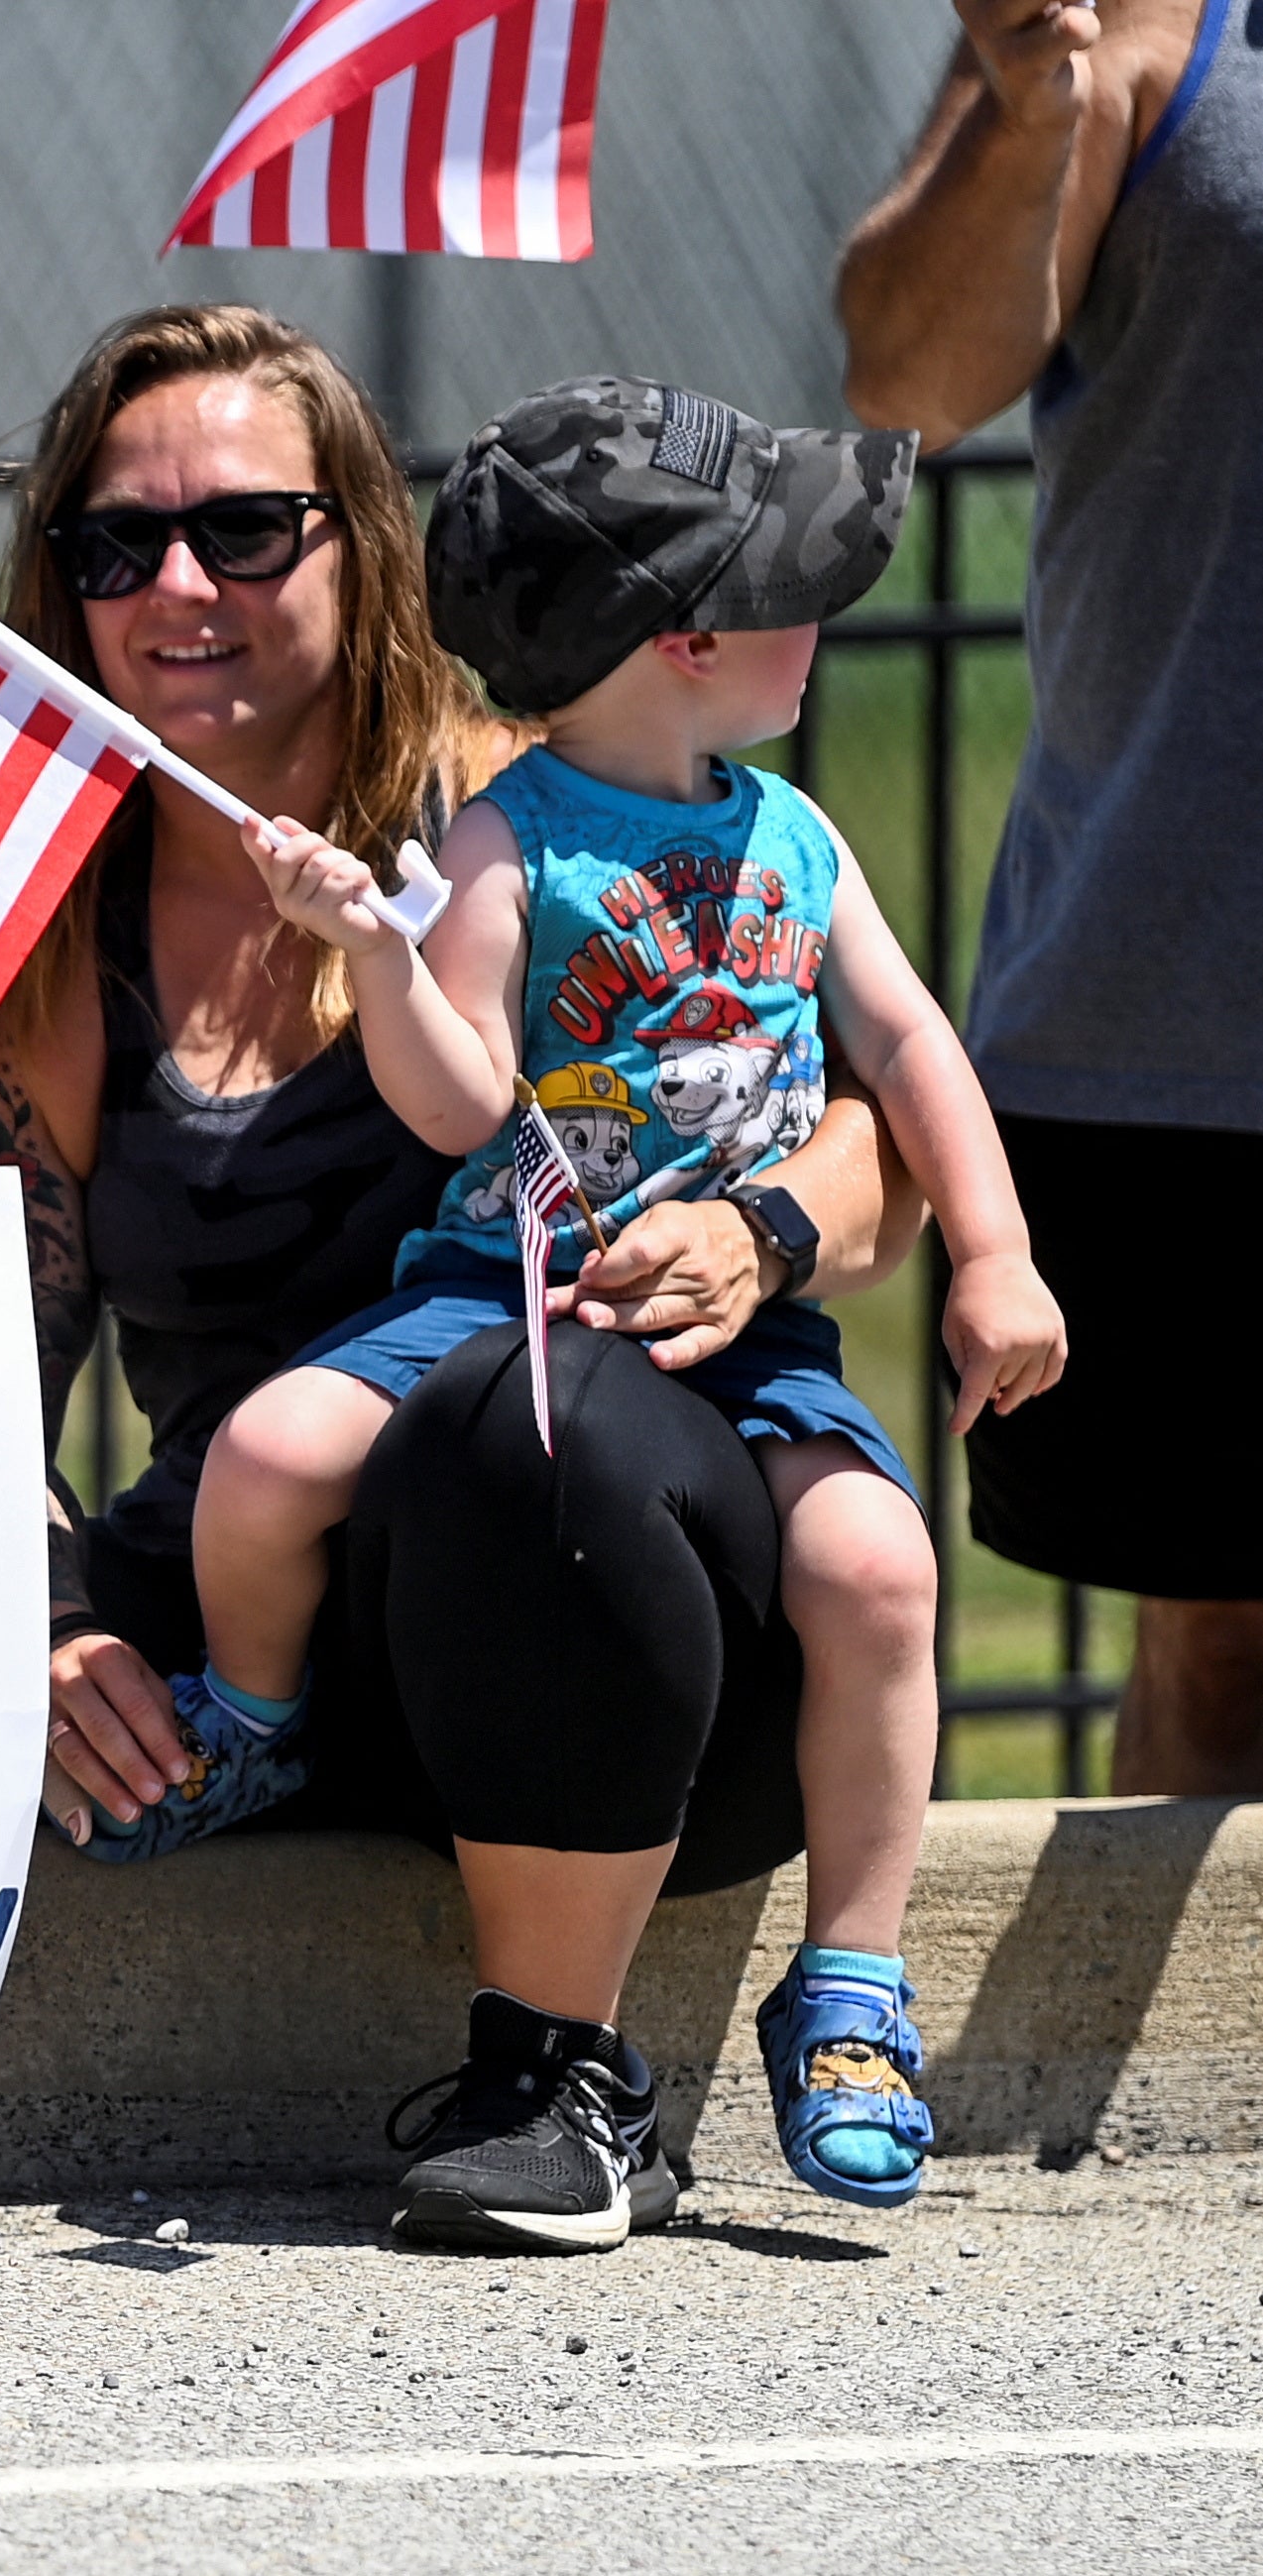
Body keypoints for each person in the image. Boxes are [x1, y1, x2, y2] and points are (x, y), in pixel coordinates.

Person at [0, 306, 929, 2253]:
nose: (173, 585)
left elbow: (875, 1128)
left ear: (364, 548)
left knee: (513, 1411)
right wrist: (55, 1616)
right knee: (334, 1448)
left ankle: (559, 2076)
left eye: (245, 530)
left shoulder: (547, 806)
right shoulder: (59, 933)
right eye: (109, 542)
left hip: (632, 1604)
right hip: (297, 1644)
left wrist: (749, 1230)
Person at [165, 379, 1065, 2211]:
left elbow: (906, 1047)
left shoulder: (797, 842)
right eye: (797, 585)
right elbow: (452, 1097)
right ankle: (247, 1725)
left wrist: (997, 1249)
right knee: (263, 1458)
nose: (829, 620)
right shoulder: (515, 843)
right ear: (691, 632)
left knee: (884, 1569)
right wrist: (376, 951)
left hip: (745, 1331)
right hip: (504, 1301)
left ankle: (855, 1979)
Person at [840, 0, 1263, 1789]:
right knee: (1229, 1638)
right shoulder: (1141, 16)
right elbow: (908, 379)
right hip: (1183, 1008)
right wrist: (1028, 102)